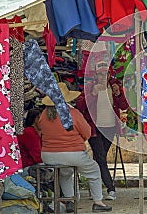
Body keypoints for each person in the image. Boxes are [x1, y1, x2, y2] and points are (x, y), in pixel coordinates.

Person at [38, 82, 112, 213]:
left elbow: (41, 132)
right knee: (94, 171)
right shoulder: (73, 113)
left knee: (65, 174)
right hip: (72, 154)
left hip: (48, 155)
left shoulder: (43, 115)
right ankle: (98, 202)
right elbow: (87, 133)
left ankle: (69, 201)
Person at [76, 62, 124, 201]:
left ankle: (95, 190)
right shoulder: (90, 87)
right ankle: (111, 189)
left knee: (99, 159)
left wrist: (119, 94)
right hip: (94, 129)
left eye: (106, 74)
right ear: (96, 75)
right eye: (100, 74)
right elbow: (80, 105)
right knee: (101, 158)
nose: (103, 77)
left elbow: (124, 106)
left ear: (110, 74)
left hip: (110, 128)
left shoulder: (114, 87)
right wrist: (93, 93)